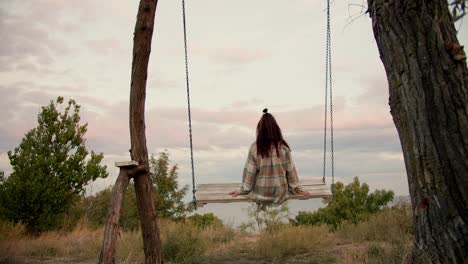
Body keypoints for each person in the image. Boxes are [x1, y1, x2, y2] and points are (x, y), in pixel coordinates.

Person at [229, 108, 310, 207]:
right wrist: (298, 190)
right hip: (280, 195)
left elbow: (250, 174)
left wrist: (242, 190)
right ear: (276, 129)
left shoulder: (255, 148)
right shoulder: (283, 148)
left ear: (260, 129)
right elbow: (291, 172)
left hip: (260, 194)